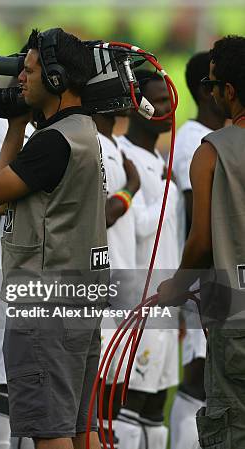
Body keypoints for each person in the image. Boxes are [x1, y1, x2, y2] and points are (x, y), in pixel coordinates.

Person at [0, 27, 106, 449]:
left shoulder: (52, 143)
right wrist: (14, 127)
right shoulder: (80, 132)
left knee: (51, 431)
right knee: (83, 428)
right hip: (80, 295)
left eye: (28, 70)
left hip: (46, 302)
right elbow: (7, 204)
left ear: (58, 79)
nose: (19, 79)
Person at [158, 35, 245, 449]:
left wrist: (176, 287)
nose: (209, 92)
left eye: (212, 84)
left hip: (234, 315)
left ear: (229, 91)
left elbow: (201, 241)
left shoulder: (211, 151)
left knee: (230, 430)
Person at [113, 70, 181, 449]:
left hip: (167, 299)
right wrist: (168, 193)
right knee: (131, 401)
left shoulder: (157, 157)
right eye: (160, 101)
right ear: (136, 105)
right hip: (141, 300)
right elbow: (137, 226)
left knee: (156, 405)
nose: (169, 109)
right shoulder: (125, 155)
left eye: (170, 101)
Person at [169, 51, 225, 449]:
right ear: (208, 91)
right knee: (199, 374)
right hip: (205, 277)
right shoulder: (192, 140)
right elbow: (198, 218)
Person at [0, 116, 35, 449]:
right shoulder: (6, 124)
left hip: (37, 283)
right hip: (3, 283)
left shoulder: (49, 128)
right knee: (8, 392)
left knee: (31, 394)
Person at [93, 111, 140, 446]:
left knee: (114, 394)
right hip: (100, 284)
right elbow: (101, 217)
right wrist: (131, 188)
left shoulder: (113, 145)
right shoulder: (92, 142)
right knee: (93, 393)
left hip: (123, 283)